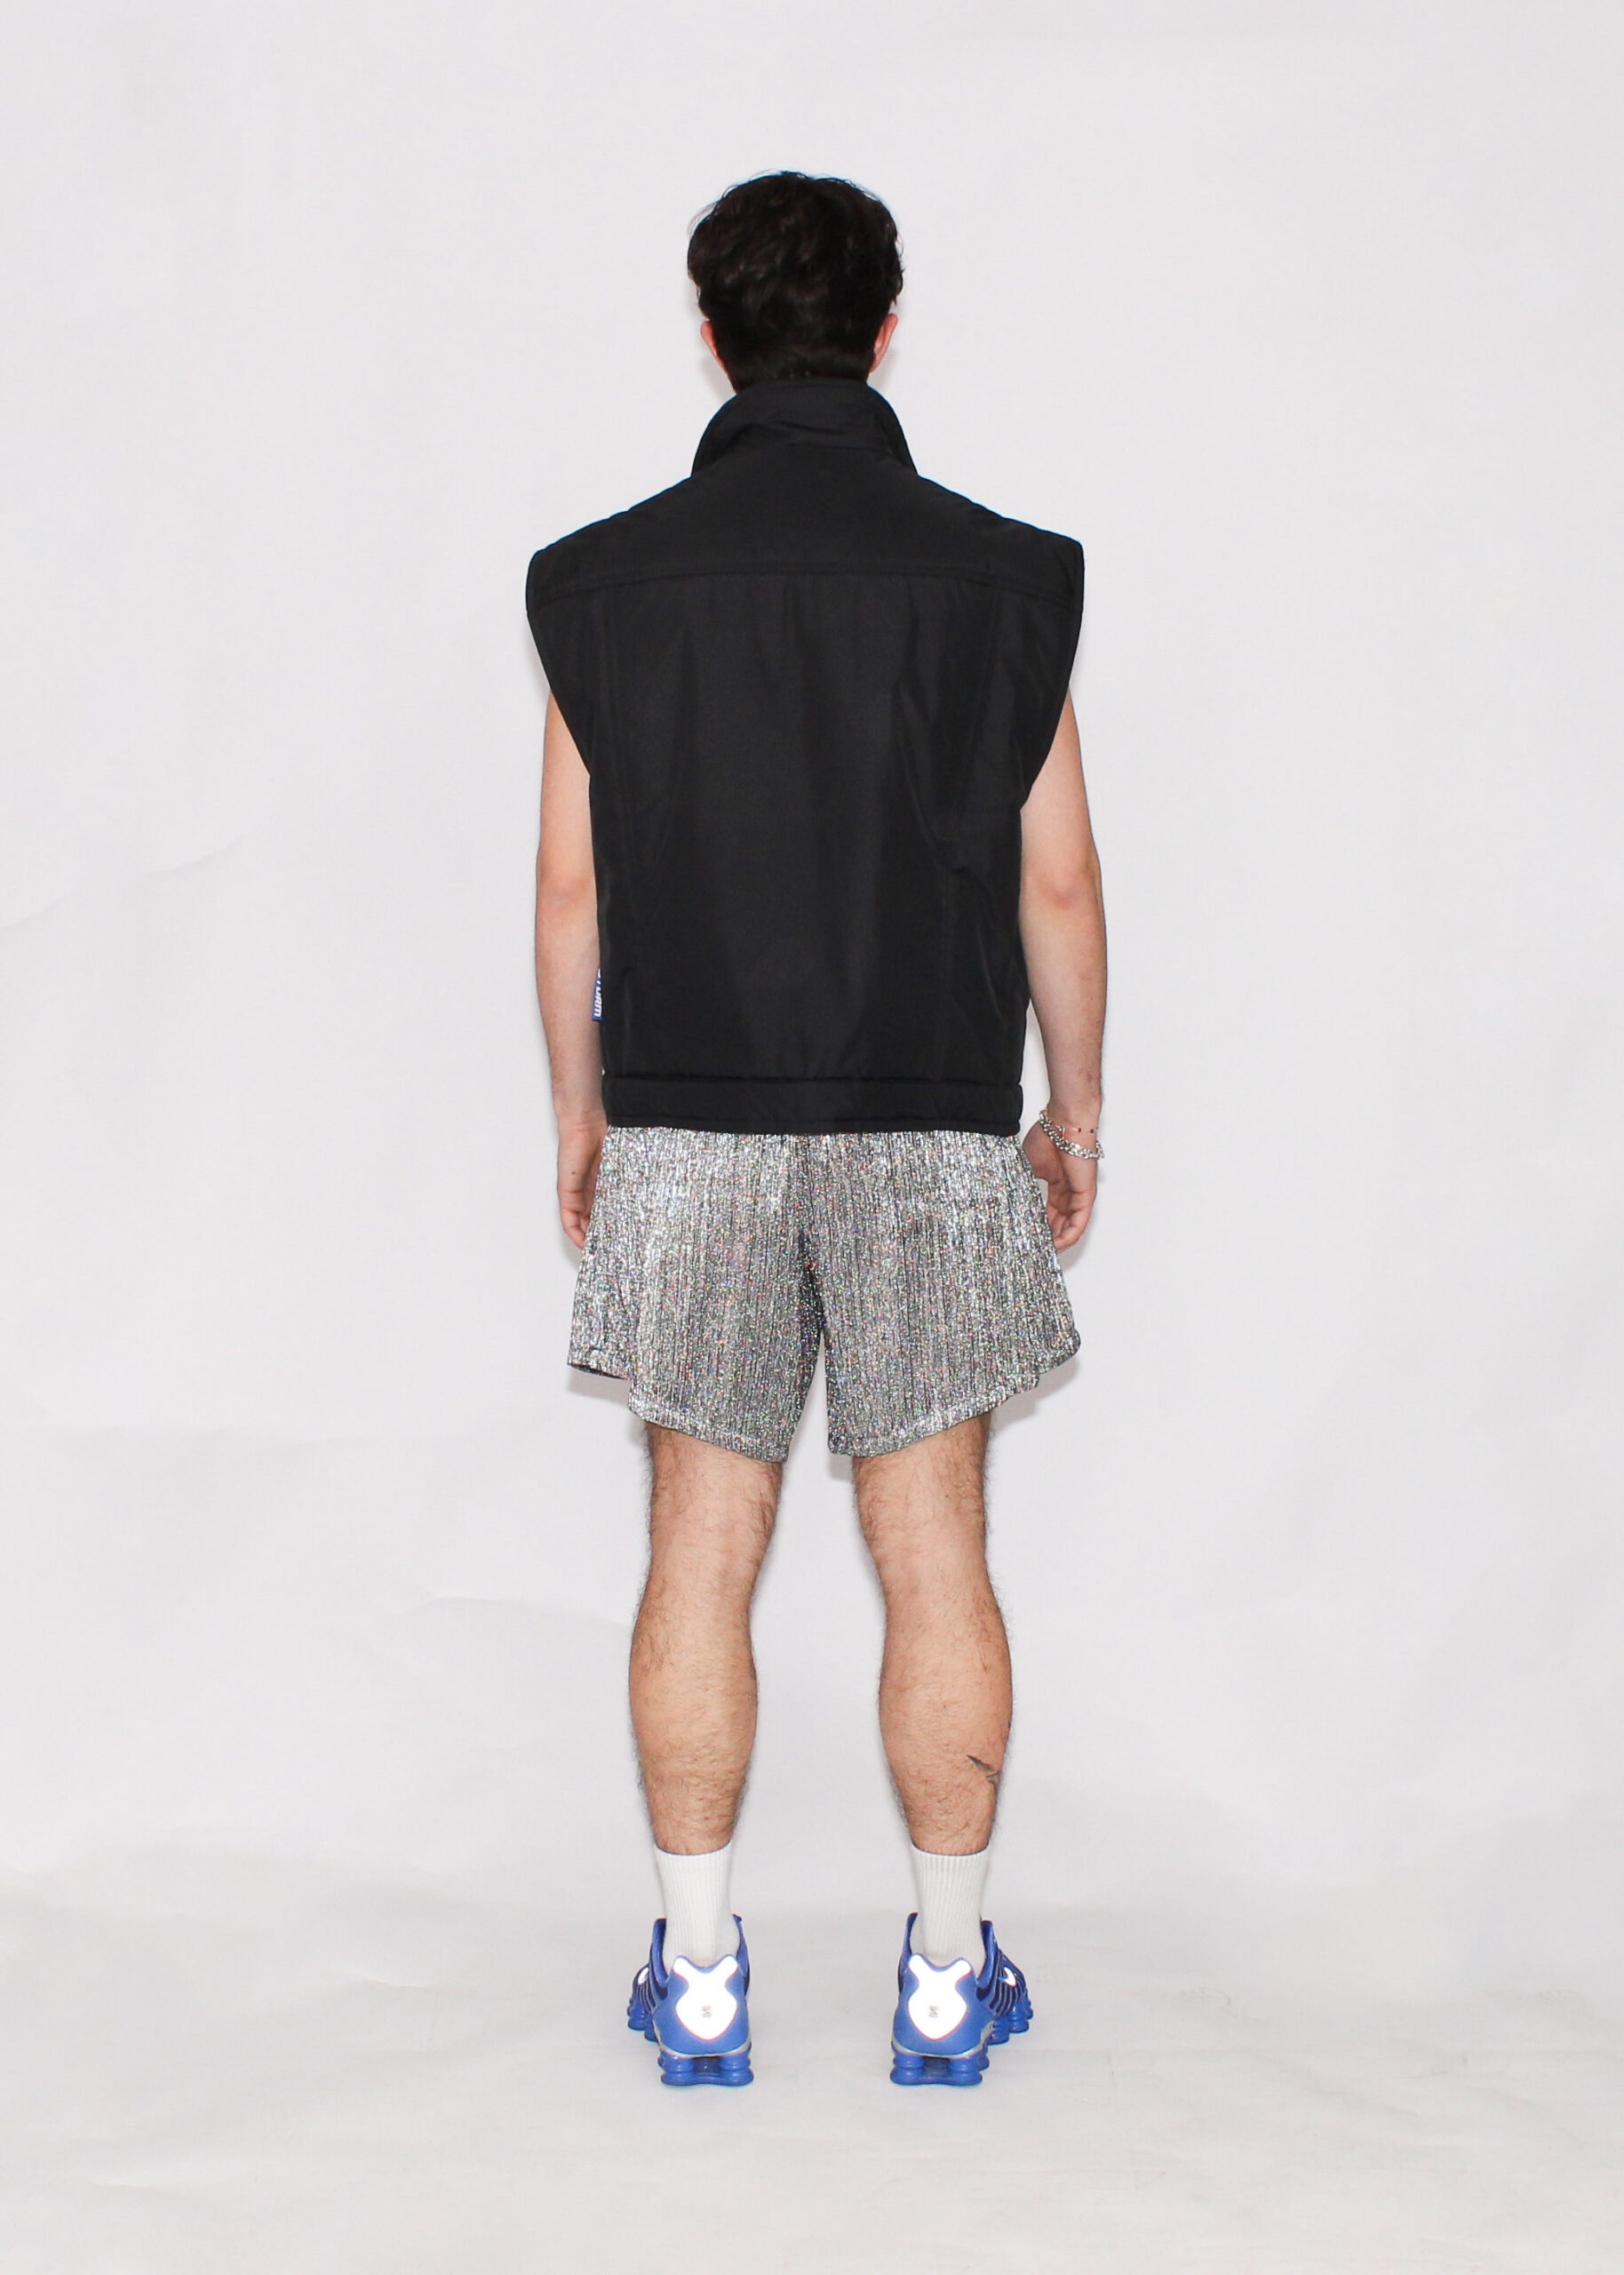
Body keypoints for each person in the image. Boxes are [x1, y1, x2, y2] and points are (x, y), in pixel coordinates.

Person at [526, 172, 1105, 2088]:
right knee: (933, 1551)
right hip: (930, 1120)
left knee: (700, 1547)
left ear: (712, 338)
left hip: (686, 1122)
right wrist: (1076, 1103)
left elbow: (569, 894)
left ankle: (699, 1978)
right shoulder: (1005, 580)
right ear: (884, 327)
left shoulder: (600, 584)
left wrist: (580, 1115)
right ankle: (943, 1978)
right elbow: (1058, 881)